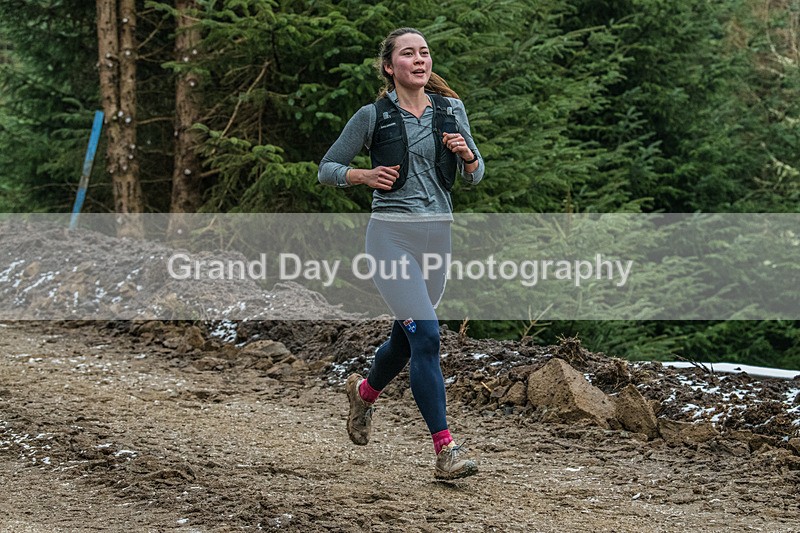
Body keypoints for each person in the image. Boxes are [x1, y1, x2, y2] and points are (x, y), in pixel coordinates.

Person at [318, 27, 484, 480]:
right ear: (390, 67)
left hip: (438, 237)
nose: (419, 60)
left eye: (424, 53)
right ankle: (445, 451)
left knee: (408, 336)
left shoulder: (452, 110)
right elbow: (327, 168)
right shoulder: (372, 116)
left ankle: (364, 394)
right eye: (408, 54)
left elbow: (476, 173)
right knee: (427, 336)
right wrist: (363, 176)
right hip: (390, 237)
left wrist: (468, 156)